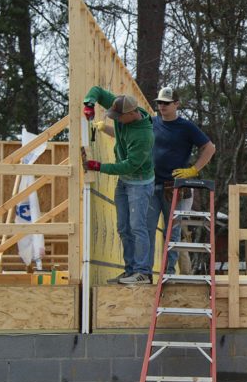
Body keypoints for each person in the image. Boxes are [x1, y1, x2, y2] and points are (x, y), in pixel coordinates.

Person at [83, 87, 155, 285]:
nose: (115, 119)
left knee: (137, 227)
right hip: (124, 181)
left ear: (132, 114)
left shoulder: (144, 135)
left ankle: (143, 273)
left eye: (118, 117)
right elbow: (97, 91)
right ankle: (130, 270)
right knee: (123, 227)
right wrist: (89, 103)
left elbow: (130, 165)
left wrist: (99, 166)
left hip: (139, 183)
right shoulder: (122, 106)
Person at [146, 86, 216, 276]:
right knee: (146, 229)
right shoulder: (151, 123)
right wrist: (104, 127)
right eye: (159, 103)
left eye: (166, 103)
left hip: (174, 188)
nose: (162, 106)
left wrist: (193, 170)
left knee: (172, 232)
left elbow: (209, 148)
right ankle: (144, 271)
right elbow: (128, 132)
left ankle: (168, 272)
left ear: (176, 104)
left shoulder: (186, 127)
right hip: (152, 186)